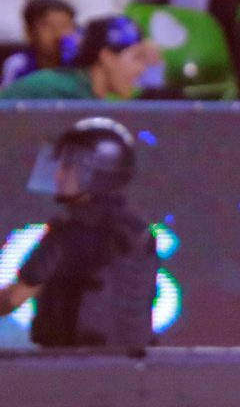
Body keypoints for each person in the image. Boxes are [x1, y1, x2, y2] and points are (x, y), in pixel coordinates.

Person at [0, 117, 158, 349]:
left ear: (94, 172)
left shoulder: (71, 231)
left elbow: (14, 298)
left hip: (73, 362)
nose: (58, 176)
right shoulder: (139, 229)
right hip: (134, 364)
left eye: (68, 166)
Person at [0, 14, 158, 100]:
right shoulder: (63, 94)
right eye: (137, 58)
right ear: (107, 57)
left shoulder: (85, 93)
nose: (142, 70)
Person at [1, 0, 77, 89]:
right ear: (29, 32)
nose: (58, 33)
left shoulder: (81, 65)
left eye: (65, 26)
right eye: (48, 26)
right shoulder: (18, 64)